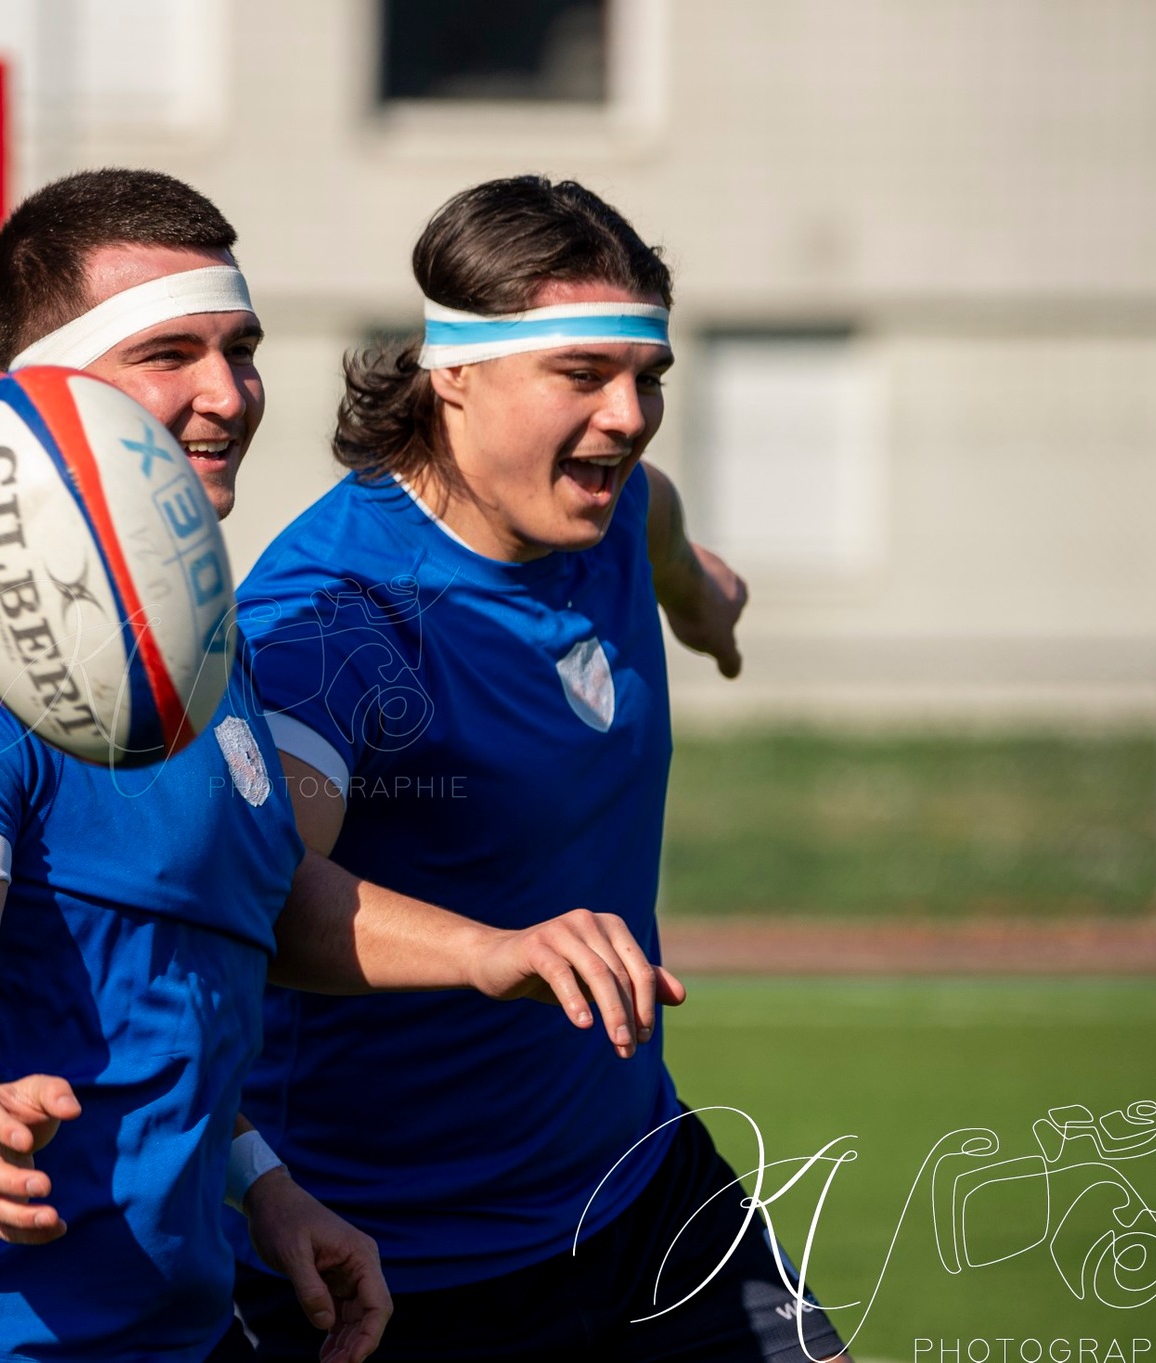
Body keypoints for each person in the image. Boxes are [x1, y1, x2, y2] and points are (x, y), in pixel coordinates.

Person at [0, 169, 678, 1363]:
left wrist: (265, 1180)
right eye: (169, 354)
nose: (225, 394)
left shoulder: (197, 649)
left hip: (155, 1322)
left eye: (242, 349)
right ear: (41, 395)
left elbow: (221, 943)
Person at [230, 176, 852, 1363]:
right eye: (580, 374)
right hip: (397, 1260)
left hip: (641, 1187)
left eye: (646, 377)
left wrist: (705, 607)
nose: (626, 415)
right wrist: (490, 952)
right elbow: (260, 893)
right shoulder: (329, 615)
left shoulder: (616, 516)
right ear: (450, 371)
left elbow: (670, 545)